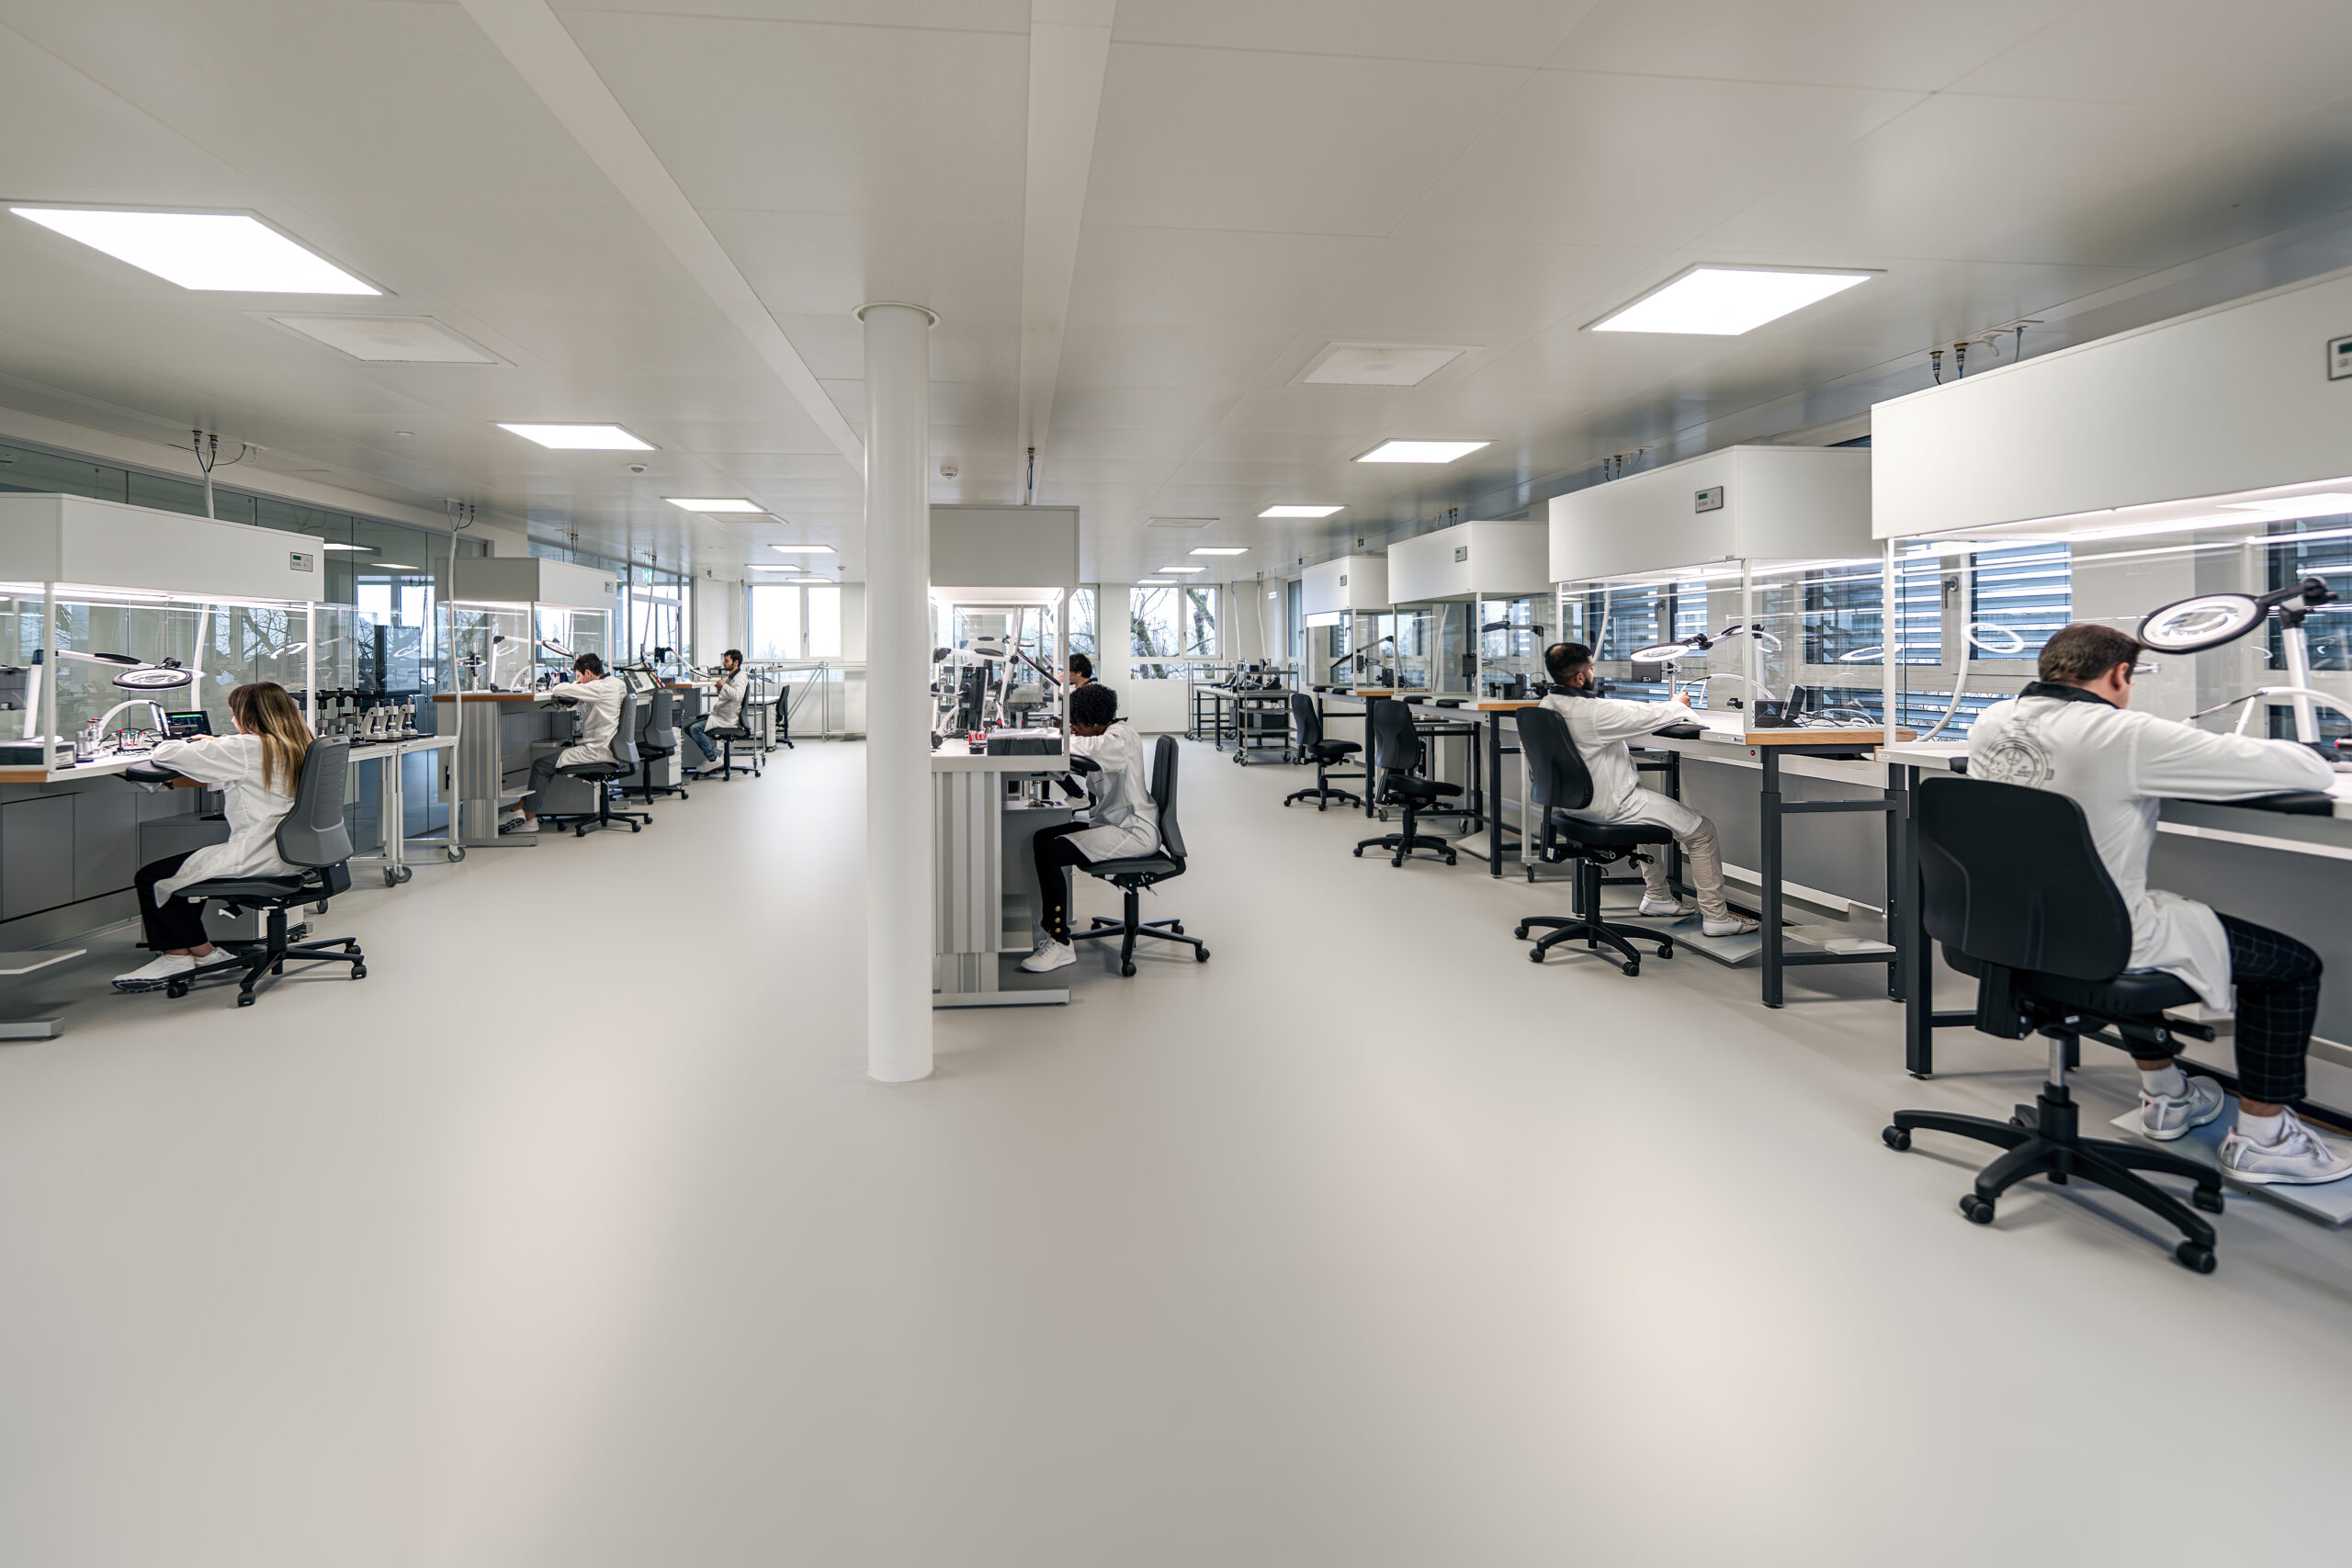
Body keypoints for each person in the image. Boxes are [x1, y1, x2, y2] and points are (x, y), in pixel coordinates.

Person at [1968, 621, 2350, 1184]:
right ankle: (2265, 1138)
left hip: (2013, 926)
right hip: (2103, 937)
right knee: (2290, 967)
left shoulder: (1992, 721)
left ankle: (2167, 1094)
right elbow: (2308, 770)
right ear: (2121, 673)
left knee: (2138, 914)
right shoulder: (2121, 733)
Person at [1539, 641, 1759, 938]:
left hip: (1574, 806)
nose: (1594, 673)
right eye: (1591, 668)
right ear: (1580, 677)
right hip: (1613, 806)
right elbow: (1644, 718)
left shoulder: (1549, 705)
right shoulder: (1591, 713)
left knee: (1652, 815)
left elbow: (1621, 710)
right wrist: (1678, 706)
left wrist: (1667, 705)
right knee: (1702, 831)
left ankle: (1657, 896)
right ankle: (1717, 917)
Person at [114, 682, 313, 991]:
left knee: (153, 878)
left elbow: (167, 753)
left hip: (258, 856)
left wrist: (203, 743)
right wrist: (220, 743)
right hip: (298, 854)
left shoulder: (246, 747)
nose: (232, 719)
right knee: (187, 871)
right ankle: (204, 953)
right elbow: (240, 754)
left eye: (234, 712)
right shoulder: (300, 743)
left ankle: (175, 958)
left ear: (247, 716)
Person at [1021, 682, 1158, 974]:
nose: (1074, 730)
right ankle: (1047, 925)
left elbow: (1089, 749)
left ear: (1092, 722)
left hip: (1132, 831)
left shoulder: (1118, 738)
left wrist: (1056, 738)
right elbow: (1085, 762)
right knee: (1042, 837)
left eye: (1076, 725)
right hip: (1113, 823)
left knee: (1050, 853)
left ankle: (1060, 943)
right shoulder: (1106, 735)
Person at [507, 652, 623, 833]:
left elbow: (559, 690)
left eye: (579, 676)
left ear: (588, 673)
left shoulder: (598, 687)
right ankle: (523, 806)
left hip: (597, 751)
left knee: (541, 765)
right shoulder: (617, 683)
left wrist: (575, 685)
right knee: (549, 763)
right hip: (611, 747)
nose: (578, 680)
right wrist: (581, 686)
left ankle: (529, 817)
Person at [686, 648, 747, 768]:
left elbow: (737, 695)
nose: (724, 663)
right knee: (688, 728)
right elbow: (728, 695)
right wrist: (720, 689)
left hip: (727, 718)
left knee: (694, 729)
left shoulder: (740, 677)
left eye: (726, 661)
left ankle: (712, 758)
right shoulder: (731, 676)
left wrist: (724, 686)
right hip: (720, 715)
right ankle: (714, 752)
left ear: (736, 662)